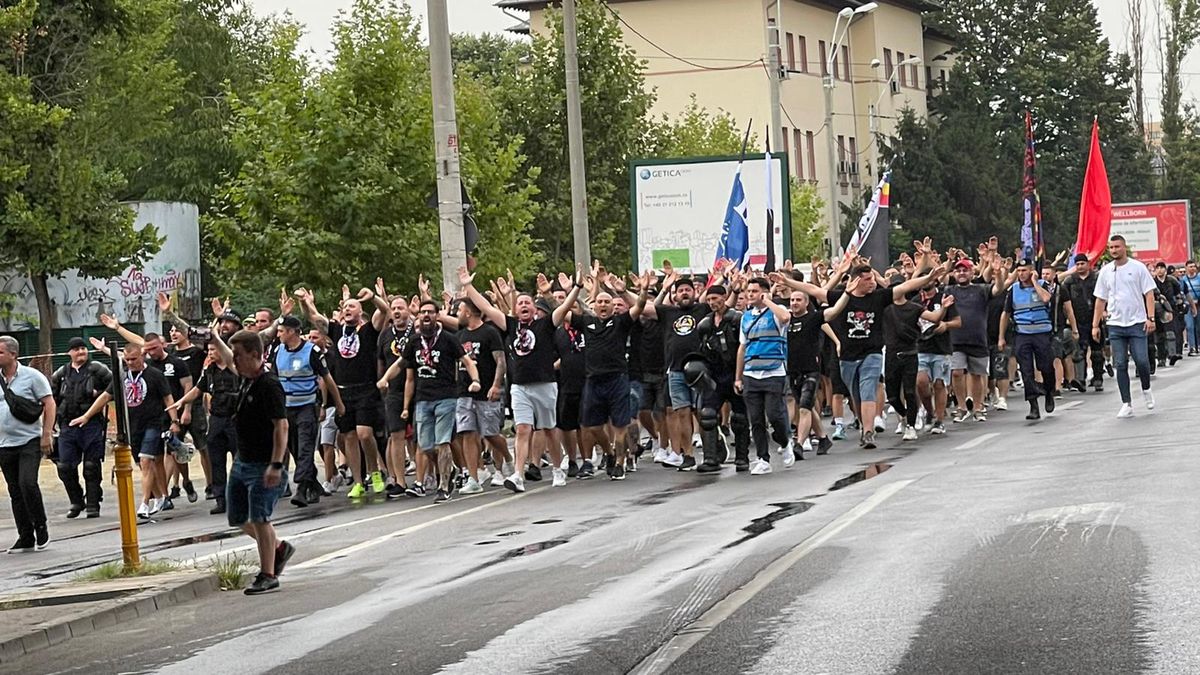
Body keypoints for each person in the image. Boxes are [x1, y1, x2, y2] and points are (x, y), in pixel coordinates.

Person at [459, 266, 570, 493]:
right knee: (522, 429)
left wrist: (575, 289)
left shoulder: (545, 324)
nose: (524, 306)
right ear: (515, 310)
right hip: (520, 386)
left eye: (527, 302)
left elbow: (565, 309)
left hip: (545, 384)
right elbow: (486, 307)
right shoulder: (510, 325)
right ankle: (518, 474)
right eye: (520, 303)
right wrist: (468, 286)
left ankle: (558, 468)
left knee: (549, 429)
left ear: (534, 308)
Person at [210, 330, 294, 595]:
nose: (233, 361)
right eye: (233, 356)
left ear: (256, 356)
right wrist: (213, 337)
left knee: (260, 518)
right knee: (236, 517)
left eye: (239, 356)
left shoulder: (268, 385)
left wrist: (276, 465)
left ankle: (268, 574)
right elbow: (226, 353)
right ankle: (278, 547)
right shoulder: (246, 377)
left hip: (263, 464)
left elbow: (281, 426)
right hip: (241, 461)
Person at [301, 286, 390, 498]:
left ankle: (374, 471)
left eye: (353, 306)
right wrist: (304, 301)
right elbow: (313, 316)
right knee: (348, 436)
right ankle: (358, 482)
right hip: (344, 391)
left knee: (364, 433)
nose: (348, 309)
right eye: (346, 307)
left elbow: (384, 311)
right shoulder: (335, 330)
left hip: (366, 389)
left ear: (360, 312)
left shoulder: (368, 330)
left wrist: (374, 298)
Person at [73, 341, 178, 519]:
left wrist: (174, 421)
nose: (130, 363)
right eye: (127, 360)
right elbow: (105, 397)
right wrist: (87, 415)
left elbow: (168, 398)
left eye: (134, 359)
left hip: (154, 423)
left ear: (142, 356)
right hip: (132, 426)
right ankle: (160, 497)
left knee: (146, 460)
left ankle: (145, 502)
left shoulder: (155, 375)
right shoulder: (122, 377)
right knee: (143, 464)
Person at [396, 299, 481, 502]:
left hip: (446, 397)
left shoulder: (449, 339)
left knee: (443, 442)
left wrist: (475, 380)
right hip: (422, 399)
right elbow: (407, 375)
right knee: (426, 447)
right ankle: (448, 469)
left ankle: (444, 486)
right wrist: (404, 403)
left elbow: (467, 361)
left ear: (437, 316)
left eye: (430, 312)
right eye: (423, 312)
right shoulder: (414, 341)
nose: (426, 315)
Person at [567, 271, 642, 480]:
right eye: (599, 302)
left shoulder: (621, 322)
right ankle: (609, 453)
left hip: (617, 379)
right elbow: (562, 311)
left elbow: (640, 306)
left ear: (612, 307)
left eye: (607, 302)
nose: (602, 305)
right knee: (592, 426)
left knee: (620, 424)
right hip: (593, 380)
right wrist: (575, 288)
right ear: (593, 306)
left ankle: (619, 463)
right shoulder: (586, 323)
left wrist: (629, 291)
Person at [640, 271, 711, 470]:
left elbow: (723, 299)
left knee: (701, 413)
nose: (684, 293)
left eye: (688, 290)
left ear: (695, 293)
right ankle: (687, 454)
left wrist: (729, 282)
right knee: (682, 413)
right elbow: (640, 308)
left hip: (698, 369)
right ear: (675, 295)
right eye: (680, 291)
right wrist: (620, 291)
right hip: (676, 371)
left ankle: (711, 450)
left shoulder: (702, 309)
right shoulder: (667, 313)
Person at [271, 315, 342, 507]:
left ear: (292, 331)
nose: (278, 334)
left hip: (306, 407)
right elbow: (273, 381)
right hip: (286, 408)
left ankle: (302, 489)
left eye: (281, 331)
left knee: (305, 447)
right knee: (294, 448)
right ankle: (314, 484)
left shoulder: (311, 351)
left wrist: (337, 403)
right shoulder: (278, 351)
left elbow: (327, 379)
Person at [170, 340, 241, 514]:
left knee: (240, 460)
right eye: (208, 350)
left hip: (236, 419)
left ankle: (241, 496)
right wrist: (181, 401)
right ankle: (220, 498)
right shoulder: (209, 371)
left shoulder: (237, 369)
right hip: (217, 419)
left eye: (213, 349)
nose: (209, 353)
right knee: (216, 459)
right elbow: (197, 390)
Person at [1092, 235, 1157, 418]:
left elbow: (1149, 294)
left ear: (1124, 247)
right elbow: (1100, 300)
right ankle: (1126, 403)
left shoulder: (1137, 268)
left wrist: (1150, 318)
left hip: (1137, 322)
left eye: (1117, 247)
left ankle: (1146, 389)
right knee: (1120, 364)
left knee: (1142, 361)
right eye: (1111, 247)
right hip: (1115, 324)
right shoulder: (1105, 271)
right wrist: (1095, 325)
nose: (1114, 250)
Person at [1, 336, 55, 552]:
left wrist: (47, 434)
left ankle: (40, 526)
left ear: (13, 354)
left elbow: (49, 403)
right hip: (4, 443)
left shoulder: (32, 377)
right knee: (14, 490)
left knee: (27, 484)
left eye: (1, 352)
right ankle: (25, 535)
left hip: (29, 440)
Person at [735, 277, 795, 474]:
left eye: (754, 291)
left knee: (775, 415)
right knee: (756, 419)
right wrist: (738, 376)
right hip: (751, 372)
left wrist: (768, 300)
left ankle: (785, 442)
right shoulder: (746, 317)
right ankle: (762, 458)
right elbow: (742, 348)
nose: (750, 295)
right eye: (748, 291)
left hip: (773, 371)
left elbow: (786, 318)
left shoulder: (775, 313)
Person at [50, 337, 113, 518]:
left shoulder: (97, 370)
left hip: (92, 424)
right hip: (68, 425)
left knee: (91, 466)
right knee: (64, 466)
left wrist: (99, 394)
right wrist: (50, 425)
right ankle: (77, 501)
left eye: (83, 348)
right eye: (76, 349)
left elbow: (115, 386)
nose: (81, 352)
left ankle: (93, 503)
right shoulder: (61, 373)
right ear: (69, 353)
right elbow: (51, 399)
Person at [450, 299, 506, 493]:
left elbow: (500, 361)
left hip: (486, 391)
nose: (457, 313)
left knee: (490, 433)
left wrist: (496, 385)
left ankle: (506, 460)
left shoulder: (489, 332)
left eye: (459, 309)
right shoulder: (459, 335)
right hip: (464, 392)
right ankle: (473, 478)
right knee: (466, 432)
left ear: (469, 312)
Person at [692, 282, 749, 473]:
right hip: (716, 376)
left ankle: (742, 457)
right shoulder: (705, 324)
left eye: (715, 299)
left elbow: (745, 345)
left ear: (724, 298)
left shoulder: (737, 319)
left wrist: (741, 376)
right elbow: (701, 350)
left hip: (735, 373)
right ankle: (711, 458)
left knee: (739, 417)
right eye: (708, 299)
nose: (711, 303)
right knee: (707, 415)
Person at [998, 259, 1057, 420]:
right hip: (1022, 334)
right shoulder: (1014, 289)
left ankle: (1049, 391)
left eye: (1025, 270)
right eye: (1019, 271)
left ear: (1031, 271)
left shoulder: (1043, 285)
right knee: (1026, 370)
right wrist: (1001, 337)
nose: (1021, 274)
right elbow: (1006, 314)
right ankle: (1033, 405)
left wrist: (1035, 283)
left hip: (1042, 333)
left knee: (1046, 366)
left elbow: (1046, 299)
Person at [785, 289, 835, 456]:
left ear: (806, 302)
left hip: (811, 370)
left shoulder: (813, 318)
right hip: (792, 370)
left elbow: (832, 312)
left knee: (805, 408)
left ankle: (799, 444)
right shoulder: (785, 320)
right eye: (792, 300)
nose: (794, 303)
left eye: (798, 300)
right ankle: (823, 438)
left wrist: (847, 294)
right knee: (806, 406)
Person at [1061, 254, 1105, 391]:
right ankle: (1080, 379)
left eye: (1082, 264)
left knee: (1097, 351)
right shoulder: (1069, 281)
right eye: (1077, 264)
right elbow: (1064, 300)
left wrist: (1104, 311)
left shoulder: (1097, 278)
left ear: (1088, 264)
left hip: (1095, 318)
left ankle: (1098, 378)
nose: (1080, 267)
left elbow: (1105, 296)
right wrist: (1067, 317)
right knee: (1079, 351)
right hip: (1078, 320)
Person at [1179, 260, 1200, 355]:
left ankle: (1198, 345)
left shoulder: (1199, 278)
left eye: (1193, 266)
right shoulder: (1183, 280)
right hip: (1188, 306)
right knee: (1189, 326)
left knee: (1198, 326)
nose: (1192, 268)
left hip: (1199, 305)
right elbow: (1181, 293)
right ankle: (1192, 347)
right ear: (1186, 268)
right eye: (1190, 266)